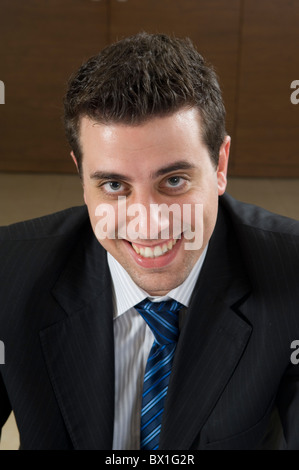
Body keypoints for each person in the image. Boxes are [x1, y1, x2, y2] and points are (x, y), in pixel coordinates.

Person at [0, 32, 299, 451]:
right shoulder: (7, 273)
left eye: (174, 180)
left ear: (220, 166)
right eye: (114, 184)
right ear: (81, 177)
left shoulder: (291, 273)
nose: (148, 223)